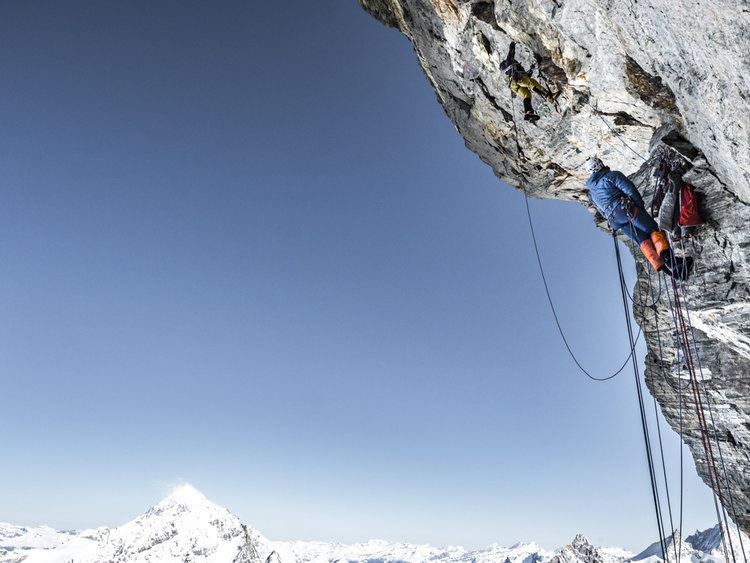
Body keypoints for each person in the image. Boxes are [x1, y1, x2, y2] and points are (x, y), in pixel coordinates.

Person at [584, 156, 691, 279]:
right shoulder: (611, 175)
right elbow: (629, 189)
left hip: (615, 221)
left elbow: (602, 212)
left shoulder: (591, 193)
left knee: (642, 241)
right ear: (600, 164)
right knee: (653, 230)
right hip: (626, 210)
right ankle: (673, 261)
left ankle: (670, 273)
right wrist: (639, 205)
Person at [500, 41, 558, 123]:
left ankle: (529, 112)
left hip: (514, 86)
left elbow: (526, 78)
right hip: (517, 80)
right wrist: (512, 44)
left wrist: (530, 70)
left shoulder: (515, 70)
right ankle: (549, 96)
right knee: (532, 83)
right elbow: (510, 55)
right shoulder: (510, 66)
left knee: (527, 95)